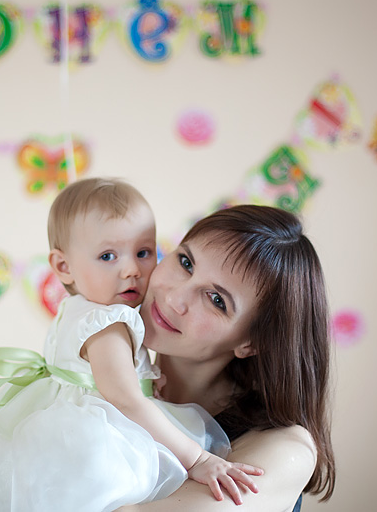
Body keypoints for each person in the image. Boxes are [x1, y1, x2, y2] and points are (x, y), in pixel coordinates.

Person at [0, 178, 262, 512]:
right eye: (108, 256)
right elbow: (125, 399)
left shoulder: (84, 311)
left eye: (143, 252)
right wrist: (197, 458)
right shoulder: (106, 323)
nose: (131, 269)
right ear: (63, 266)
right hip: (90, 445)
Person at [119, 204, 336, 511]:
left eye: (217, 300)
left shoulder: (286, 447)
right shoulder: (112, 382)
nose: (174, 297)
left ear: (251, 343)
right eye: (186, 263)